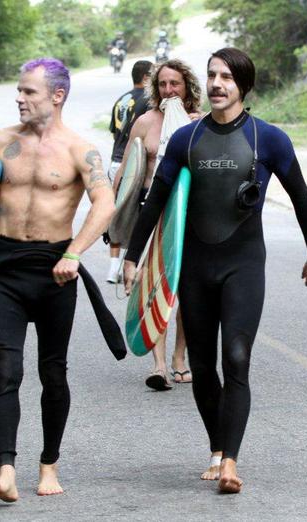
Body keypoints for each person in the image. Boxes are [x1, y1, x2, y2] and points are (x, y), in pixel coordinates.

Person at [123, 48, 307, 493]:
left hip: (243, 263)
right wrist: (133, 259)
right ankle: (216, 447)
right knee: (200, 363)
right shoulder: (186, 140)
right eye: (213, 75)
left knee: (236, 356)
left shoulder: (268, 139)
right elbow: (155, 201)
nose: (217, 83)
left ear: (243, 85)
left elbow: (301, 197)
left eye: (227, 77)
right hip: (196, 265)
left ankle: (230, 461)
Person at [0, 58, 119, 502]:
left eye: (29, 92)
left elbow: (105, 204)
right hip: (4, 268)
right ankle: (6, 471)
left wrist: (74, 253)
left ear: (56, 96)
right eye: (19, 91)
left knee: (53, 373)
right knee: (6, 369)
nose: (20, 98)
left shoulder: (81, 151)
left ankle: (49, 464)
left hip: (55, 272)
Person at [114, 59, 203, 390]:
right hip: (151, 211)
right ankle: (160, 365)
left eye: (175, 84)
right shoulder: (145, 122)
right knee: (153, 284)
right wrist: (114, 219)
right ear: (155, 88)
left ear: (187, 86)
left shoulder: (201, 123)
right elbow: (127, 171)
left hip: (189, 213)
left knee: (185, 289)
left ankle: (180, 357)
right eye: (163, 84)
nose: (169, 90)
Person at [105, 60, 153, 283]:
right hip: (132, 164)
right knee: (135, 215)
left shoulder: (121, 99)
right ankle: (134, 264)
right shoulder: (148, 100)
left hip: (115, 161)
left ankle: (113, 267)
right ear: (146, 77)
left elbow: (115, 131)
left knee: (118, 211)